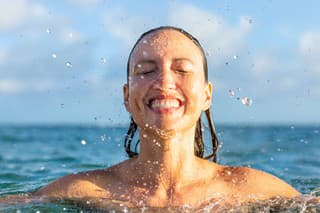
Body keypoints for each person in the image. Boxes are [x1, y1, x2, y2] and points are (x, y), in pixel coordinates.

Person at [33, 26, 300, 208]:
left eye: (182, 70)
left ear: (207, 95)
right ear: (127, 97)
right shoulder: (83, 190)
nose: (164, 81)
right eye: (146, 71)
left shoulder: (249, 190)